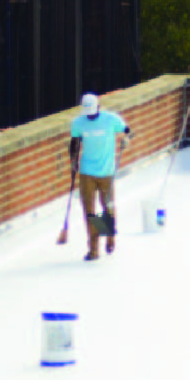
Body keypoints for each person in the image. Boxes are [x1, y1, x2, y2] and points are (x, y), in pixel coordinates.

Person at [67, 93, 130, 261]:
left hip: (107, 173)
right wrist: (73, 161)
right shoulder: (78, 123)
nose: (91, 116)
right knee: (90, 212)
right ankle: (93, 249)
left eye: (93, 113)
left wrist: (125, 139)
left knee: (107, 209)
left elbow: (126, 130)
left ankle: (109, 236)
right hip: (87, 172)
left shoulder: (111, 119)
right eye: (88, 113)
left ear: (99, 107)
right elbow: (74, 142)